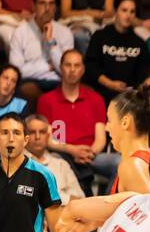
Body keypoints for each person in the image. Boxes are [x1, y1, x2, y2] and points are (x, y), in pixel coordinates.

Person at [37, 48, 108, 192]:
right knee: (57, 160)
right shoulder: (46, 100)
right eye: (68, 65)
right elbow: (48, 139)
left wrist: (89, 154)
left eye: (76, 65)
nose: (72, 70)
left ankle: (107, 206)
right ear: (61, 68)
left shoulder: (95, 99)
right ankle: (84, 195)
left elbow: (101, 139)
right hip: (61, 154)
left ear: (83, 69)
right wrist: (72, 150)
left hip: (91, 156)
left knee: (119, 162)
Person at [10, 0, 73, 109]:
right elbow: (15, 72)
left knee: (81, 90)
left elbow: (67, 71)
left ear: (55, 7)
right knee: (29, 90)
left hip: (58, 82)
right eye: (42, 3)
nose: (47, 8)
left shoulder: (65, 32)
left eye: (51, 3)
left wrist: (51, 42)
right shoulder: (20, 32)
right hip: (31, 82)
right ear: (33, 6)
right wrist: (46, 66)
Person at [83, 0, 150, 100]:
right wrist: (109, 83)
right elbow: (91, 66)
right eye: (124, 10)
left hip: (129, 98)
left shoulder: (139, 42)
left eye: (132, 12)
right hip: (101, 94)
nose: (128, 15)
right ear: (116, 11)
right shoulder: (100, 36)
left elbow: (144, 70)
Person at [24, 112, 84, 203]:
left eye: (42, 132)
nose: (37, 137)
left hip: (64, 214)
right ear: (25, 136)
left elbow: (80, 199)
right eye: (32, 132)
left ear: (48, 136)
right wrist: (66, 198)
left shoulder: (61, 164)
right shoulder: (17, 162)